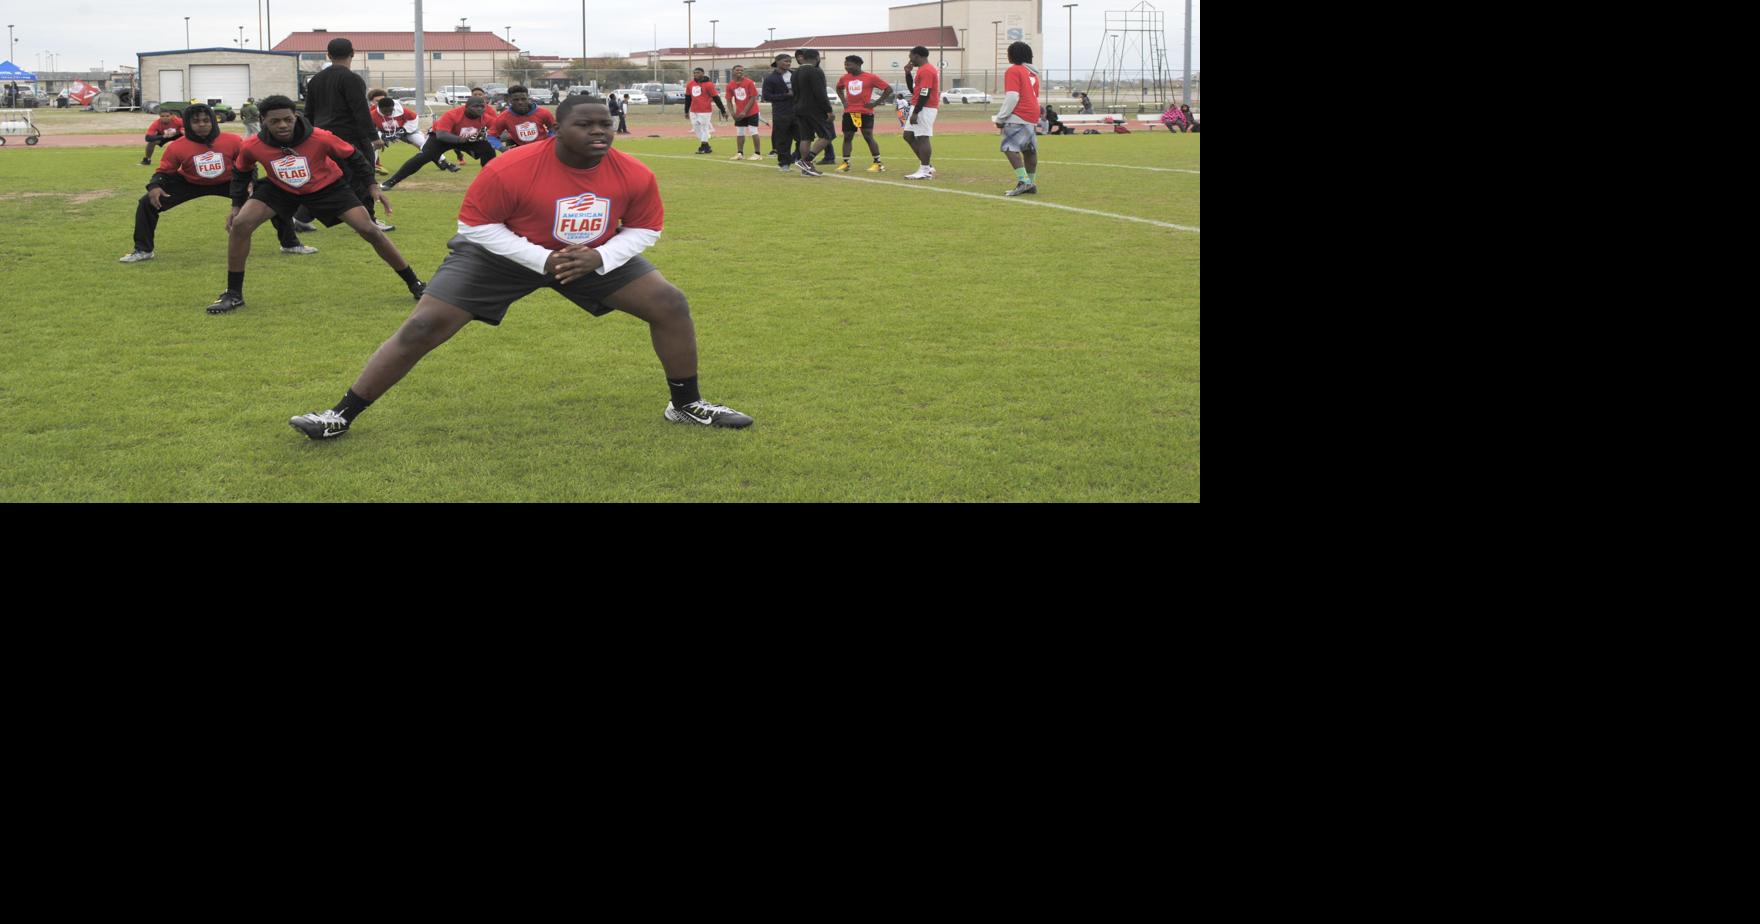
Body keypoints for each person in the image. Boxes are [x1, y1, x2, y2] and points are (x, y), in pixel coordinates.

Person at [288, 96, 751, 440]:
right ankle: (339, 416)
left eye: (605, 124)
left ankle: (686, 405)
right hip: (499, 253)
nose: (599, 132)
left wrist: (601, 257)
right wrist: (542, 258)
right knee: (423, 325)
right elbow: (474, 226)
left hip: (587, 253)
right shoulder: (511, 166)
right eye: (584, 124)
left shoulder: (633, 172)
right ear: (557, 129)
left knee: (669, 303)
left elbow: (646, 228)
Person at [208, 95, 423, 314]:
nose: (282, 125)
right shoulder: (253, 145)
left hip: (328, 187)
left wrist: (372, 186)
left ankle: (415, 283)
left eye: (287, 119)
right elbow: (241, 172)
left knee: (370, 230)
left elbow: (354, 156)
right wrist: (236, 207)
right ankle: (233, 294)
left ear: (295, 116)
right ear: (263, 120)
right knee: (241, 224)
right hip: (280, 187)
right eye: (275, 121)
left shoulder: (320, 137)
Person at [119, 103, 312, 263]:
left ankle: (290, 244)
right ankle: (143, 250)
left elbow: (248, 165)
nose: (202, 125)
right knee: (147, 202)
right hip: (190, 182)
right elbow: (164, 171)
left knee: (272, 198)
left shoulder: (233, 140)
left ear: (213, 121)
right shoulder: (177, 146)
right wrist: (154, 187)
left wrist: (251, 183)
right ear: (187, 123)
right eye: (196, 121)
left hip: (230, 181)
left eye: (206, 120)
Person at [296, 37, 390, 233]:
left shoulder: (316, 80)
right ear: (353, 53)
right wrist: (374, 136)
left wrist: (307, 138)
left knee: (331, 178)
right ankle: (369, 220)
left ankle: (301, 217)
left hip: (322, 137)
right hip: (350, 137)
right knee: (363, 176)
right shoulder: (352, 79)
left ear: (328, 55)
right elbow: (360, 111)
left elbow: (309, 112)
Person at [380, 95, 497, 190]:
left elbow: (499, 130)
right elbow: (442, 134)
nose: (480, 109)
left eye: (482, 107)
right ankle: (392, 181)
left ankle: (489, 181)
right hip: (440, 139)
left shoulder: (485, 117)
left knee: (488, 151)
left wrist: (504, 141)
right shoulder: (452, 115)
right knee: (423, 157)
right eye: (476, 106)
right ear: (466, 107)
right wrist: (460, 140)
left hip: (465, 139)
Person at [992, 42, 1041, 197]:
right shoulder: (1032, 73)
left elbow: (1012, 96)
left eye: (1009, 52)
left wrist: (1001, 117)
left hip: (1019, 113)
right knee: (1029, 150)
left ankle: (1024, 181)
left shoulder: (1014, 70)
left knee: (1009, 148)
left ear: (1013, 55)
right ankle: (1031, 182)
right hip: (1033, 113)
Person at [370, 92, 458, 175]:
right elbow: (369, 128)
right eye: (385, 111)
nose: (388, 113)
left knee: (424, 143)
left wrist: (403, 130)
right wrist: (380, 136)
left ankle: (444, 162)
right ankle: (371, 167)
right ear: (380, 109)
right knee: (373, 145)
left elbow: (414, 119)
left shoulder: (403, 111)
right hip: (384, 132)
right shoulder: (373, 114)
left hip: (405, 131)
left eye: (390, 111)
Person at [834, 55, 893, 173]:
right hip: (849, 112)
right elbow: (838, 88)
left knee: (868, 136)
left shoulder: (870, 77)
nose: (846, 67)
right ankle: (846, 163)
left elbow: (888, 89)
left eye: (849, 64)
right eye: (845, 65)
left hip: (865, 112)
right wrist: (844, 101)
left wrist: (875, 103)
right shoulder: (845, 78)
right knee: (847, 137)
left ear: (858, 65)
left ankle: (878, 164)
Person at [790, 49, 834, 177]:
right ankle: (806, 161)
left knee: (806, 138)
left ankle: (807, 170)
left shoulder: (795, 72)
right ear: (817, 58)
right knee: (827, 135)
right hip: (814, 109)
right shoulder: (815, 71)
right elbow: (820, 93)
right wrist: (828, 110)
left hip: (798, 108)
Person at [902, 45, 939, 180]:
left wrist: (916, 112)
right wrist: (907, 74)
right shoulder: (922, 70)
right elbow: (914, 91)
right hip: (918, 105)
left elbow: (925, 92)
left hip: (925, 107)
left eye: (911, 57)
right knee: (908, 135)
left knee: (923, 137)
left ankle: (925, 170)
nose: (910, 60)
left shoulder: (927, 70)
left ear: (917, 56)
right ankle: (927, 166)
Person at [762, 54, 798, 172]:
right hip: (781, 113)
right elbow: (766, 96)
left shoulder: (795, 75)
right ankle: (784, 163)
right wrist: (786, 95)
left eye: (790, 61)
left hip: (798, 112)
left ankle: (798, 159)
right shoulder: (770, 79)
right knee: (783, 140)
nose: (788, 63)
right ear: (777, 62)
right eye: (785, 61)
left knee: (802, 138)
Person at [492, 85, 557, 149]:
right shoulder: (504, 117)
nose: (520, 102)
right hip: (519, 149)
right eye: (516, 100)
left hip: (541, 148)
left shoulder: (543, 112)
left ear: (528, 98)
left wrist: (549, 141)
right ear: (509, 100)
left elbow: (554, 128)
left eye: (523, 99)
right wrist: (501, 147)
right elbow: (491, 135)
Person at [685, 67, 728, 154]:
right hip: (693, 110)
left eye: (698, 73)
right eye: (694, 73)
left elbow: (716, 98)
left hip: (705, 111)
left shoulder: (709, 84)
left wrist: (723, 110)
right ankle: (707, 146)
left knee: (704, 128)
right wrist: (686, 111)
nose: (696, 74)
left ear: (703, 73)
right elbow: (688, 98)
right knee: (696, 127)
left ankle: (703, 147)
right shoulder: (690, 84)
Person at [724, 65, 763, 160]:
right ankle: (739, 153)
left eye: (741, 70)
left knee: (753, 131)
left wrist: (744, 111)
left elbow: (753, 97)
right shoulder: (730, 85)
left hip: (752, 111)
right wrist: (732, 113)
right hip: (739, 113)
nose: (740, 72)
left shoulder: (749, 82)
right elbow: (729, 100)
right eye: (737, 70)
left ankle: (757, 154)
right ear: (732, 71)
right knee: (740, 132)